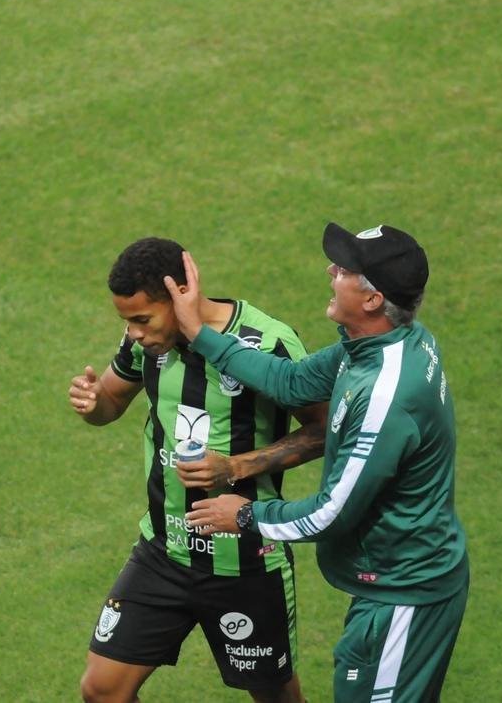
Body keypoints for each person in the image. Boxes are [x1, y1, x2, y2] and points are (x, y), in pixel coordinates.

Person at [168, 223, 469, 703]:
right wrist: (200, 333)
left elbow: (331, 512)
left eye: (345, 269)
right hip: (399, 581)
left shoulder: (384, 399)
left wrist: (242, 515)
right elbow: (289, 382)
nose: (331, 271)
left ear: (372, 299)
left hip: (403, 594)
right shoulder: (386, 343)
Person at [68, 237, 327, 703]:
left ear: (179, 294)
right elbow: (110, 401)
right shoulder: (144, 344)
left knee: (276, 698)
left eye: (142, 319)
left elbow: (325, 429)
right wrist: (92, 404)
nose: (135, 332)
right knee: (101, 690)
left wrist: (237, 466)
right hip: (163, 551)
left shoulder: (267, 341)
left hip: (246, 558)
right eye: (127, 321)